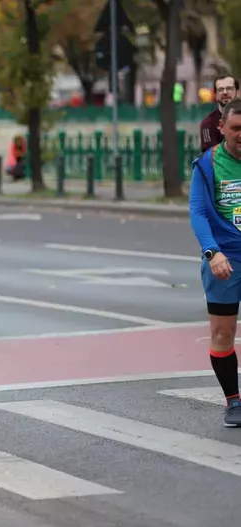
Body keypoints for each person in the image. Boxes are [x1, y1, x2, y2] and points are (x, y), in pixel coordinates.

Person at [189, 97, 241, 426]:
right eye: (236, 128)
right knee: (222, 333)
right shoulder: (207, 165)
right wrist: (212, 252)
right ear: (221, 128)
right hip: (226, 258)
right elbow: (198, 212)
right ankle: (233, 402)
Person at [201, 75, 238, 152]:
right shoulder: (208, 124)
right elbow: (210, 154)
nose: (225, 92)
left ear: (237, 91)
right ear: (215, 94)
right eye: (220, 89)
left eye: (229, 88)